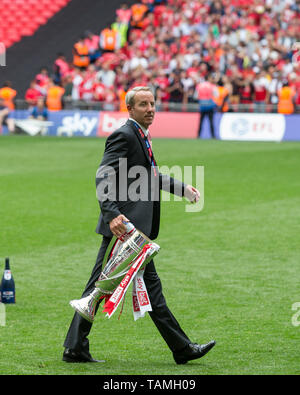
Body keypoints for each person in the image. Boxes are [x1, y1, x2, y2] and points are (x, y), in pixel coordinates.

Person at [62, 86, 216, 364]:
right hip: (124, 229)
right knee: (103, 286)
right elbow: (104, 175)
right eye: (143, 104)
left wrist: (182, 189)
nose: (150, 109)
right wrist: (111, 215)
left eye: (152, 103)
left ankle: (75, 347)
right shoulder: (124, 134)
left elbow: (151, 176)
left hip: (135, 232)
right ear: (130, 109)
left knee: (124, 287)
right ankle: (181, 349)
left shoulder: (141, 136)